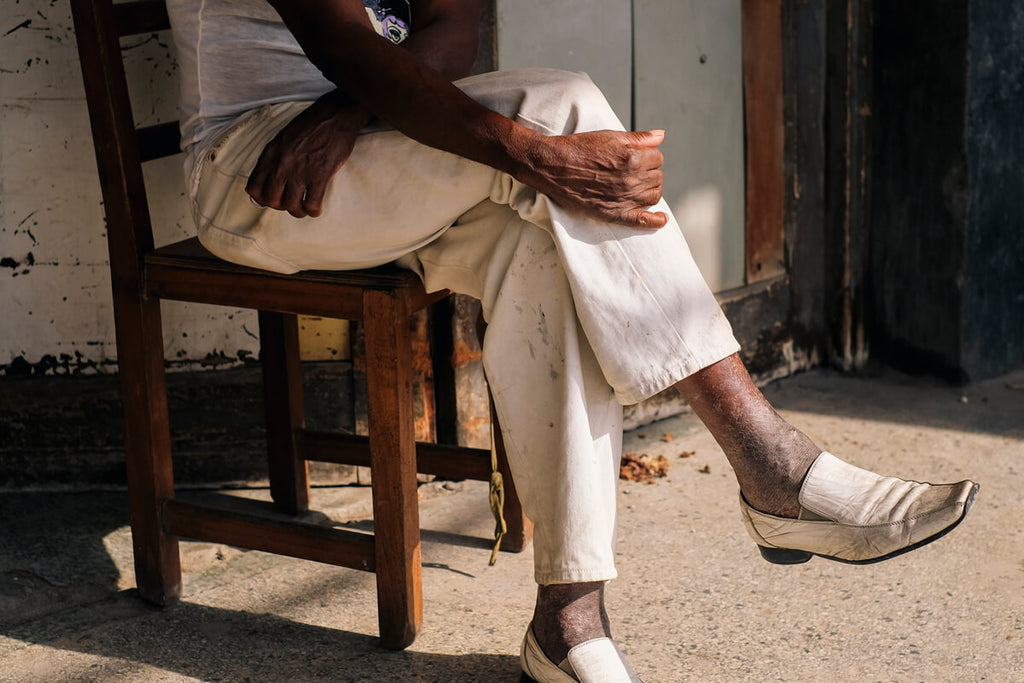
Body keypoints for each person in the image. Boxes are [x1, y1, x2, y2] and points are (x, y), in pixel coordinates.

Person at [166, 1, 979, 680]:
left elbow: (453, 29)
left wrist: (351, 109)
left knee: (547, 244)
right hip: (262, 169)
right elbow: (343, 41)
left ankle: (568, 617)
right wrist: (532, 154)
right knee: (557, 113)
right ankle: (771, 463)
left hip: (370, 133)